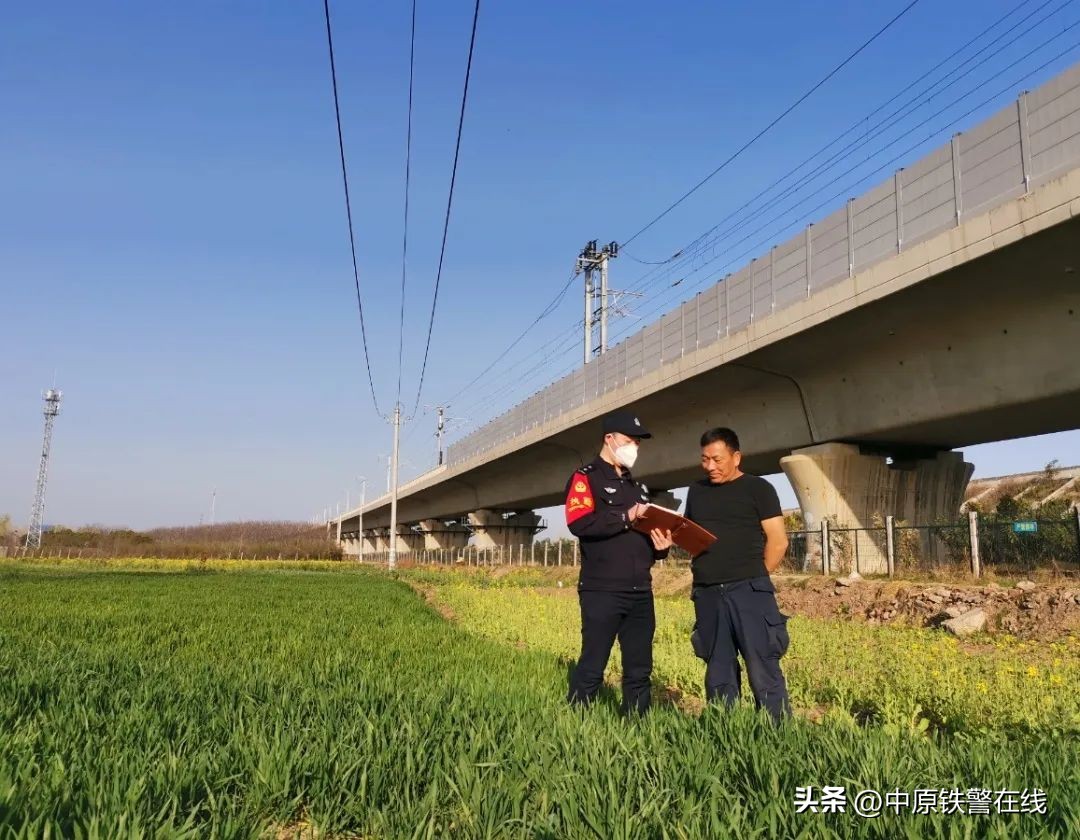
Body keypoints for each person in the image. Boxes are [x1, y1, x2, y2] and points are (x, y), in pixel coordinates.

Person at [565, 409, 672, 715]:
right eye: (629, 441)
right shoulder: (586, 478)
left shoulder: (638, 488)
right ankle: (575, 722)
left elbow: (642, 538)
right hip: (602, 590)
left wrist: (660, 548)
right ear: (609, 439)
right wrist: (626, 516)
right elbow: (580, 523)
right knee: (593, 664)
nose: (634, 448)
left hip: (640, 590)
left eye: (638, 443)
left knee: (639, 669)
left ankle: (636, 725)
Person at [684, 427, 791, 722]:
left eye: (717, 460)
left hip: (749, 590)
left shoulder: (759, 489)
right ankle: (725, 730)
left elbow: (778, 541)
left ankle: (778, 733)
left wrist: (753, 576)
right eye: (705, 460)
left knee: (762, 665)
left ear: (736, 457)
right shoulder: (696, 491)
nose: (710, 467)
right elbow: (690, 535)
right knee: (718, 667)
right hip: (707, 592)